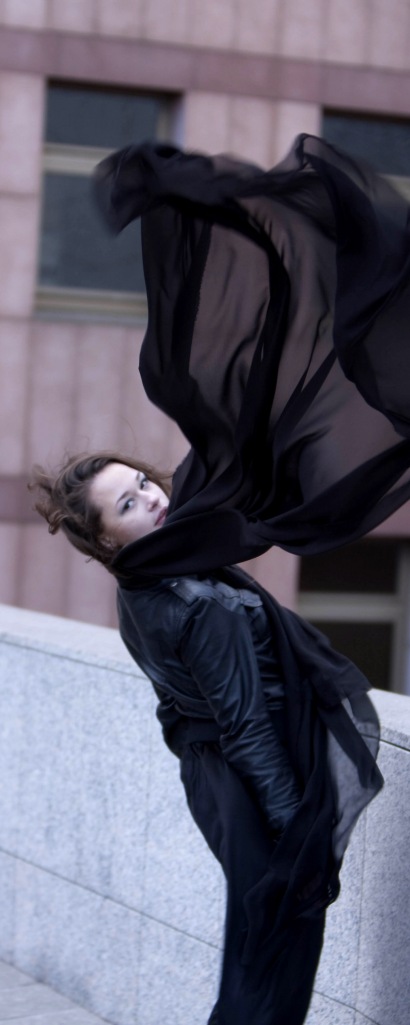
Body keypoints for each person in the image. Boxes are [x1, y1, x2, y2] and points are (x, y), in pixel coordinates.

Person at [31, 134, 410, 1024]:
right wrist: (296, 840)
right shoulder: (193, 597)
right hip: (254, 792)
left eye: (143, 483)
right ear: (108, 539)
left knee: (255, 966)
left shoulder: (151, 579)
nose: (155, 498)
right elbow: (245, 723)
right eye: (130, 505)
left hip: (219, 788)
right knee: (270, 975)